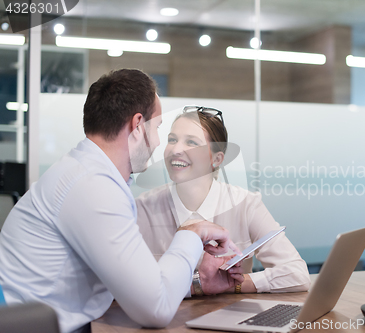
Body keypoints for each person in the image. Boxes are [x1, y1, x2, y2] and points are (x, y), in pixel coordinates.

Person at [0, 69, 243, 333]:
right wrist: (193, 232)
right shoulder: (93, 187)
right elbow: (155, 310)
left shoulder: (86, 173)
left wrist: (197, 283)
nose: (160, 142)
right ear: (137, 125)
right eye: (159, 127)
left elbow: (138, 285)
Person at [135, 106, 311, 295]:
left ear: (217, 159)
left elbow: (297, 273)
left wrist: (236, 284)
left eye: (192, 142)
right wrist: (199, 286)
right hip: (164, 321)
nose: (176, 149)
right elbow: (124, 285)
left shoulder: (246, 204)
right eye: (172, 140)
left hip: (232, 317)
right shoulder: (142, 208)